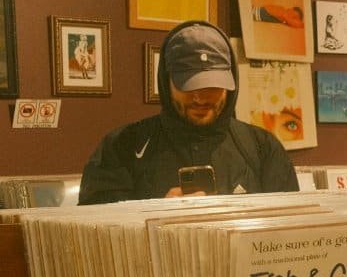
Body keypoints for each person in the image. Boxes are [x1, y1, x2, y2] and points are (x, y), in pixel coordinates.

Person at [79, 21, 299, 204]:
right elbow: (93, 235)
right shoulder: (121, 146)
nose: (200, 98)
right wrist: (156, 215)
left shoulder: (263, 148)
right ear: (167, 83)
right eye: (189, 85)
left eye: (212, 86)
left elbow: (291, 233)